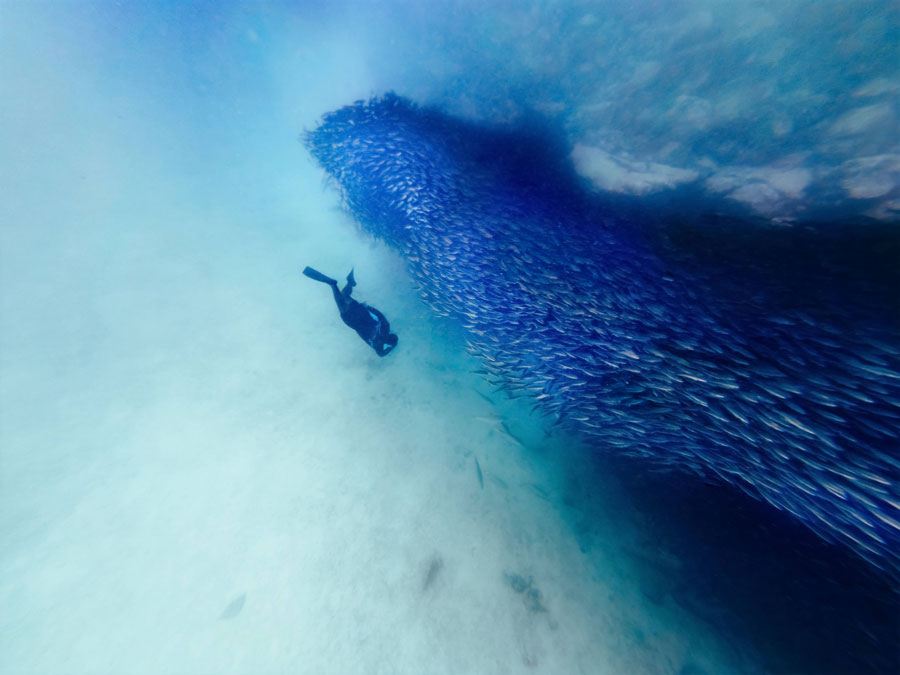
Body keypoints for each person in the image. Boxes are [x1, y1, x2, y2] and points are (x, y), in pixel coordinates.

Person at [303, 266, 399, 357]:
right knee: (342, 301)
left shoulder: (385, 330)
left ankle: (349, 283)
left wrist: (368, 307)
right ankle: (334, 284)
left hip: (361, 314)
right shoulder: (378, 344)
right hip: (353, 320)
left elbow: (380, 315)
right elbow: (381, 354)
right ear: (388, 342)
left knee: (345, 296)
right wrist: (392, 347)